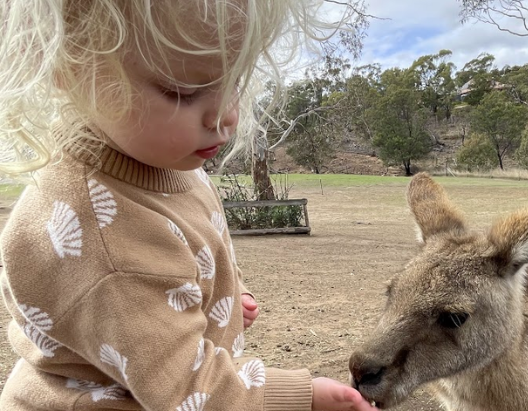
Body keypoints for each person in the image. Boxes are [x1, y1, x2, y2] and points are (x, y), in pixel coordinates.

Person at [0, 1, 378, 410]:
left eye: (234, 80)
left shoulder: (168, 162)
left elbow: (189, 246)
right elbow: (188, 389)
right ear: (71, 66)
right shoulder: (106, 234)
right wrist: (302, 397)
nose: (228, 115)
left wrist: (227, 293)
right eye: (182, 90)